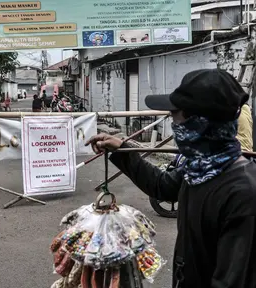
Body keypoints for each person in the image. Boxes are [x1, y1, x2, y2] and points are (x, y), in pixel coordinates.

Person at [85, 69, 256, 288]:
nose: (174, 126)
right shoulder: (198, 170)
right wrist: (121, 149)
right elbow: (162, 186)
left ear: (199, 125)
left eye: (176, 118)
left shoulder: (243, 194)